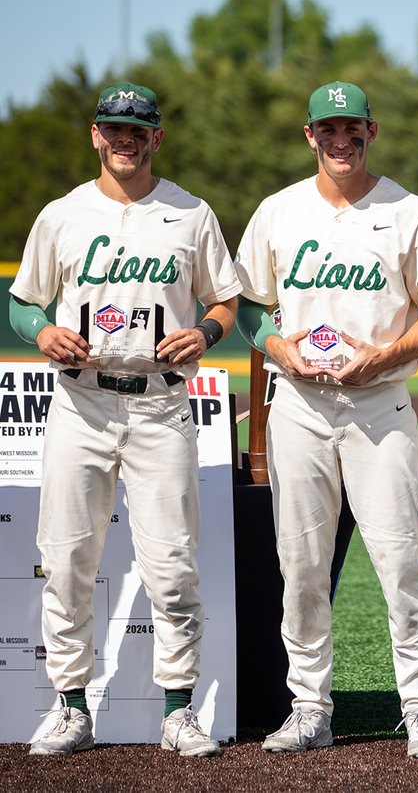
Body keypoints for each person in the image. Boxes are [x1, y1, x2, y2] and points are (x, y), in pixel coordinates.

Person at [9, 82, 239, 757]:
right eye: (113, 128)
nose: (123, 138)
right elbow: (24, 304)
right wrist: (41, 333)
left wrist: (208, 332)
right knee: (67, 558)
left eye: (136, 130)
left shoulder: (190, 213)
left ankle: (177, 709)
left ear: (156, 138)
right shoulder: (62, 215)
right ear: (95, 134)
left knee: (170, 563)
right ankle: (71, 706)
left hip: (163, 400)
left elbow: (224, 300)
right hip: (81, 401)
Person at [234, 81, 418, 758]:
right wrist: (280, 349)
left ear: (372, 130)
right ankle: (309, 707)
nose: (341, 140)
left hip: (379, 403)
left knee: (401, 560)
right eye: (328, 128)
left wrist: (385, 354)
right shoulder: (278, 211)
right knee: (300, 564)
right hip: (298, 405)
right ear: (310, 135)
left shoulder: (409, 211)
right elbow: (247, 307)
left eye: (352, 128)